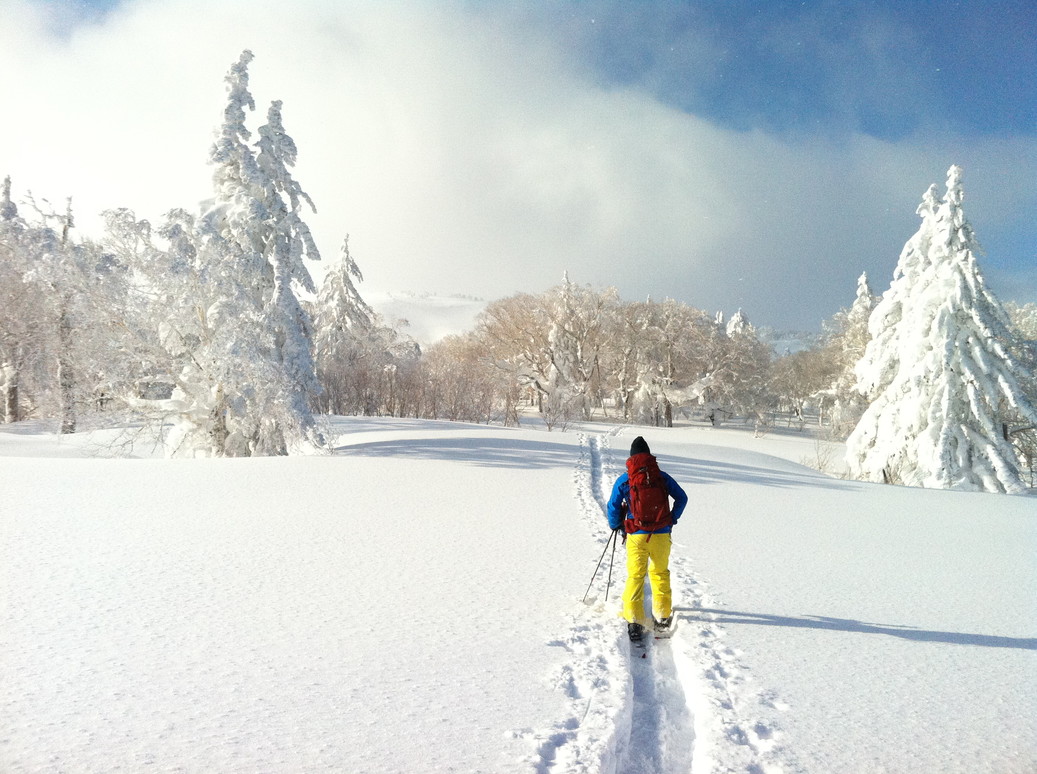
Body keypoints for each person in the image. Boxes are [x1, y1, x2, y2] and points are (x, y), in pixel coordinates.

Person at [606, 436, 688, 642]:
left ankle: (634, 621)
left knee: (635, 575)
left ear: (631, 458)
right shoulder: (661, 476)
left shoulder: (625, 479)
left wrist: (616, 524)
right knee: (660, 573)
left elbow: (614, 505)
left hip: (636, 534)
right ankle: (662, 616)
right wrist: (672, 518)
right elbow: (682, 497)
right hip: (661, 533)